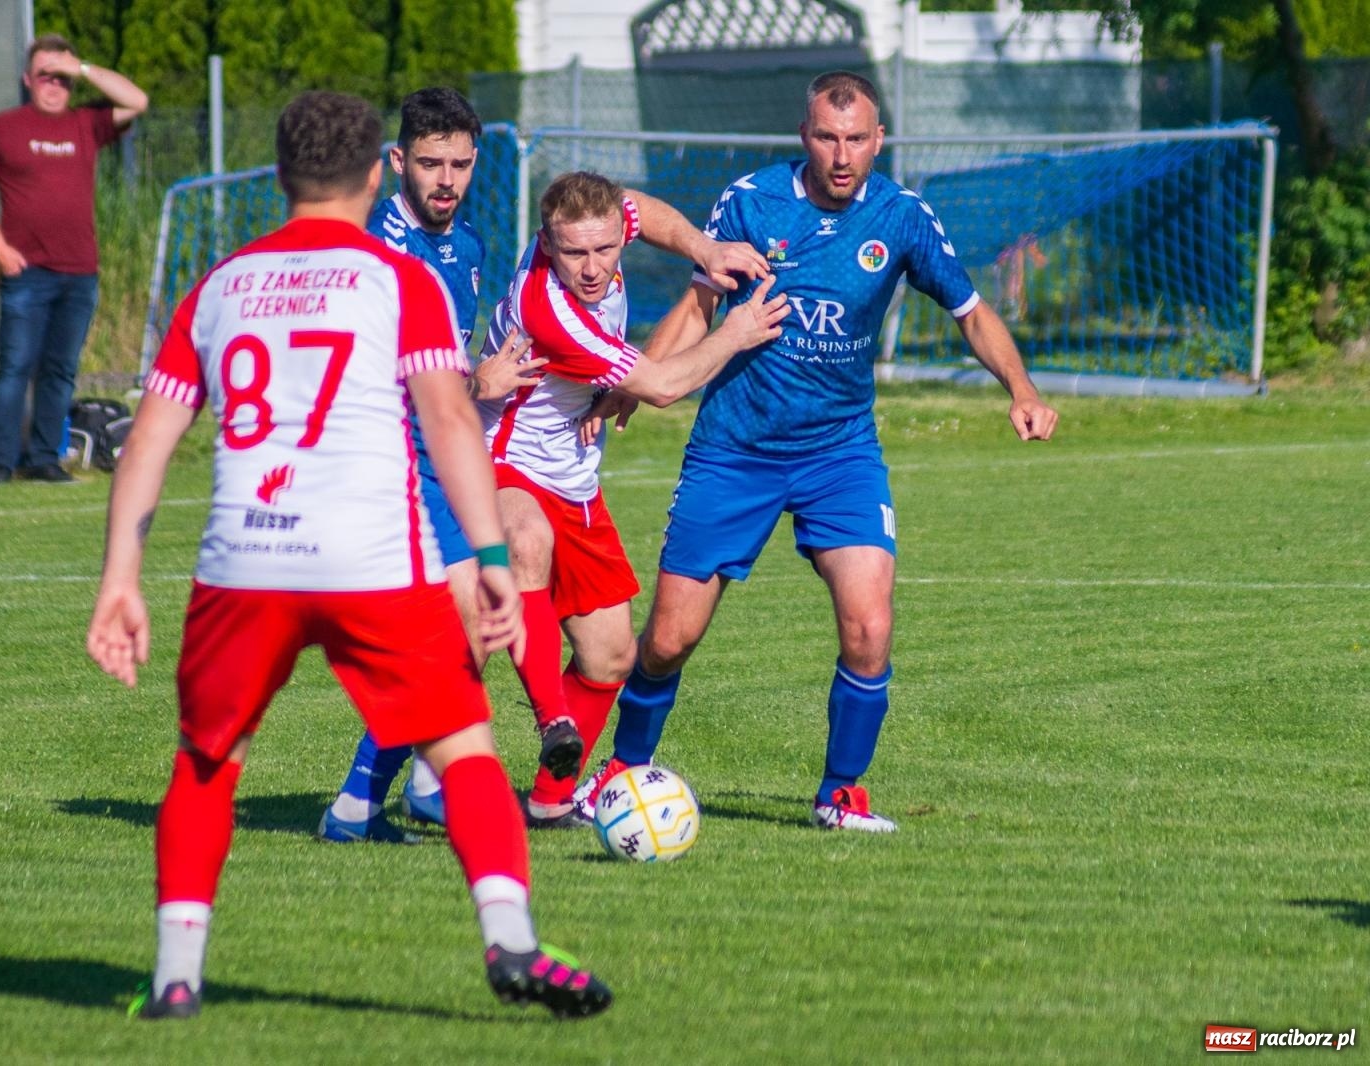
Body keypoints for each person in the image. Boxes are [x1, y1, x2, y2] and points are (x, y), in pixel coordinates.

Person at [86, 90, 612, 1021]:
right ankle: (513, 943)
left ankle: (174, 976)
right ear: (379, 174)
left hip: (245, 562)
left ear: (281, 177)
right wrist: (490, 548)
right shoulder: (397, 280)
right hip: (372, 560)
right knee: (466, 751)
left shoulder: (219, 285)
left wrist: (120, 580)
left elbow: (149, 441)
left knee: (208, 764)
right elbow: (450, 416)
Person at [574, 71, 1060, 832]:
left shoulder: (902, 218)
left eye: (857, 139)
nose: (842, 155)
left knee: (870, 627)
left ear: (878, 141)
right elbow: (700, 305)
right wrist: (637, 384)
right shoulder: (751, 202)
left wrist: (1021, 389)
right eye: (827, 138)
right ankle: (624, 770)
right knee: (668, 639)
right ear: (806, 136)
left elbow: (971, 313)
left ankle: (839, 793)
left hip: (840, 452)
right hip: (734, 448)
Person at [477, 170, 786, 827]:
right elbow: (666, 387)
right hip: (502, 461)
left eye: (605, 249)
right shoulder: (550, 312)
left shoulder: (608, 225)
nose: (592, 269)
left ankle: (550, 802)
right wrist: (737, 331)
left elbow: (641, 207)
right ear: (545, 244)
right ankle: (546, 718)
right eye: (573, 253)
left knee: (611, 655)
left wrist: (704, 249)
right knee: (525, 543)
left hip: (574, 478)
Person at [318, 86, 546, 845]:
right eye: (428, 163)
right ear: (395, 162)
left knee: (463, 621)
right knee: (445, 624)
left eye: (458, 163)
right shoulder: (374, 250)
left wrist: (483, 378)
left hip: (441, 460)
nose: (445, 179)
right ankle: (360, 804)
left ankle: (418, 785)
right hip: (384, 464)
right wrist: (473, 383)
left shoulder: (470, 247)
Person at [0, 34, 148, 485]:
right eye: (45, 75)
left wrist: (80, 68)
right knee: (15, 367)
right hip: (27, 274)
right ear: (28, 80)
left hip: (79, 271)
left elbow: (137, 100)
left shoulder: (87, 123)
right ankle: (2, 462)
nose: (54, 84)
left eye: (61, 78)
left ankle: (46, 459)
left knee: (60, 370)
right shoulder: (2, 127)